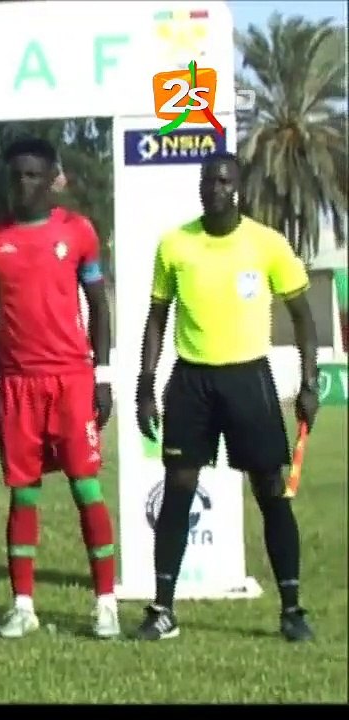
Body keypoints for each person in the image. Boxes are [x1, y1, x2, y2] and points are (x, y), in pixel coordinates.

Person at [135, 153, 319, 642]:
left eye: (223, 181)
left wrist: (310, 383)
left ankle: (292, 610)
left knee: (270, 492)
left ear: (238, 187)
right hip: (191, 381)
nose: (214, 189)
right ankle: (162, 610)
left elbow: (303, 317)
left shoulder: (267, 244)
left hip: (248, 380)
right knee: (177, 490)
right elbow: (156, 318)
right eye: (207, 181)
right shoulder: (175, 245)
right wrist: (144, 385)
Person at [0, 138, 119, 639]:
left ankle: (105, 603)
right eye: (17, 176)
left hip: (72, 380)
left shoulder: (78, 232)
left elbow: (100, 307)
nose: (24, 184)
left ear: (53, 178)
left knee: (87, 487)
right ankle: (22, 605)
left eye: (34, 175)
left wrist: (102, 377)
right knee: (23, 494)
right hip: (18, 385)